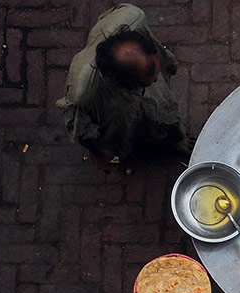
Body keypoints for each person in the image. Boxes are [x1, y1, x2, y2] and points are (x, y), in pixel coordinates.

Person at [56, 4, 193, 172]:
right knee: (120, 135)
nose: (157, 79)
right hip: (112, 109)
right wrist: (100, 152)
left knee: (162, 109)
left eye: (155, 74)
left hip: (139, 83)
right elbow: (81, 129)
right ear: (123, 81)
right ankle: (127, 154)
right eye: (148, 80)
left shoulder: (133, 16)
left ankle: (172, 140)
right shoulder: (83, 93)